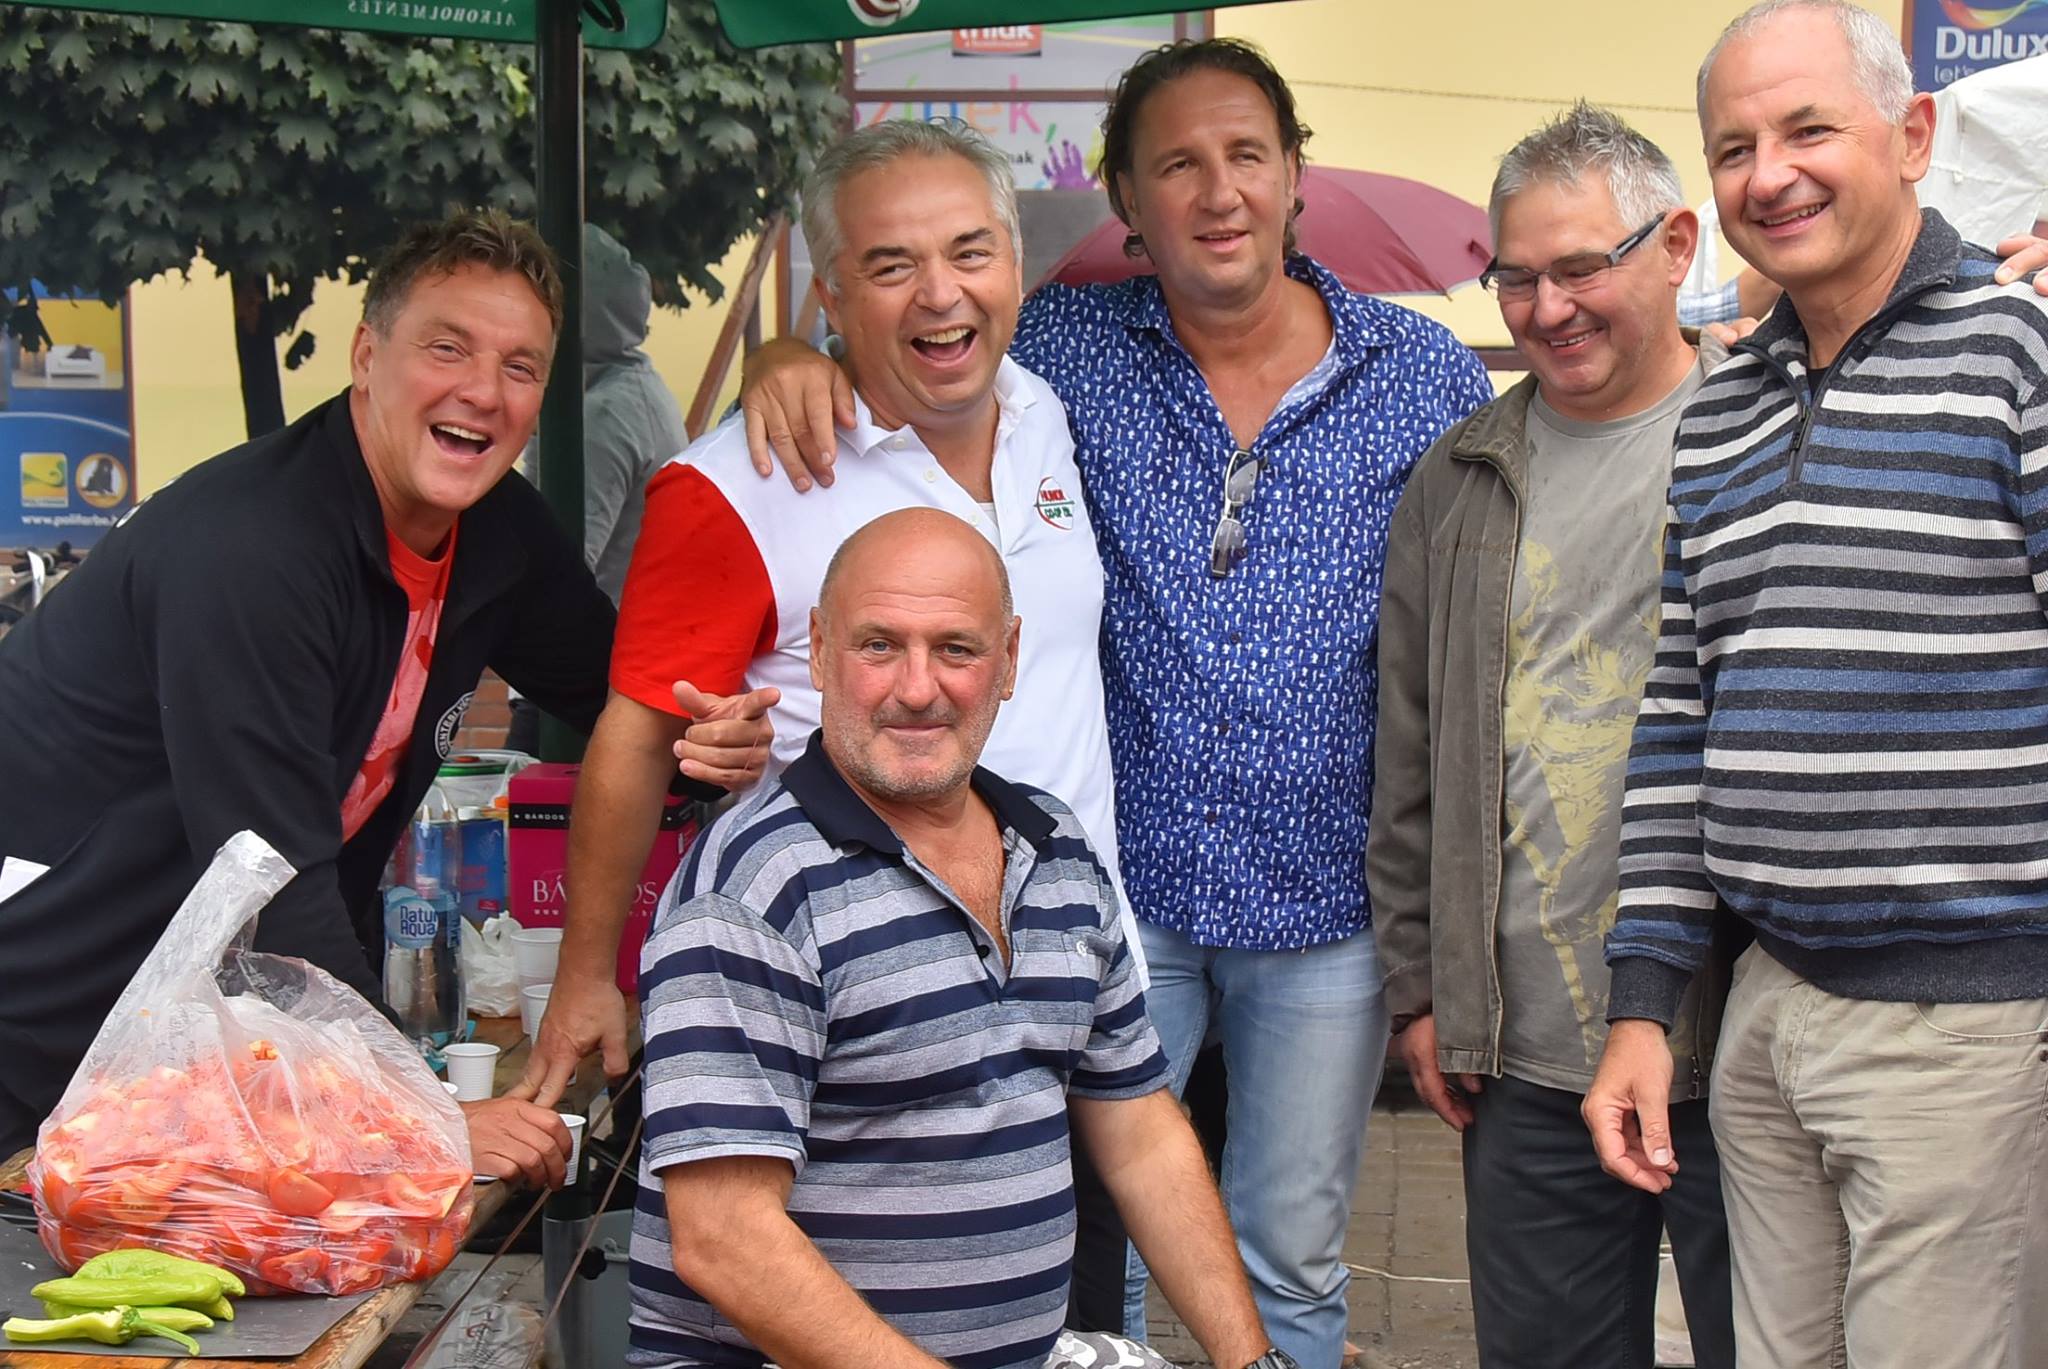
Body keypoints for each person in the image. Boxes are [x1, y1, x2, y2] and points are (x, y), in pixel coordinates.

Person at [736, 41, 1493, 1366]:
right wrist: (793, 355)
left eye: (1245, 154)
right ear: (1127, 200)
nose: (1218, 191)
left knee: (1290, 1250)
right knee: (1109, 1244)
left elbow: (1471, 634)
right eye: (1176, 164)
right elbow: (919, 343)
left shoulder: (1421, 374)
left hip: (1332, 900)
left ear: (1294, 173)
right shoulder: (1066, 350)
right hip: (1113, 891)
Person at [0, 210, 669, 1186]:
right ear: (366, 356)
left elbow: (629, 698)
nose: (484, 391)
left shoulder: (496, 532)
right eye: (447, 347)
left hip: (196, 1049)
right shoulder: (253, 553)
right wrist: (426, 1116)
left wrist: (709, 736)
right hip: (42, 1021)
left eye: (521, 366)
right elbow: (274, 881)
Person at [1583, 3, 2048, 1365]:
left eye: (1805, 131)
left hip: (1967, 1025)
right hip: (1767, 1007)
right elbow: (1679, 724)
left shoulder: (2017, 355)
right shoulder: (1719, 414)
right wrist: (1641, 1007)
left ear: (1911, 137)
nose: (1767, 174)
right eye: (1733, 148)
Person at [526, 120, 1138, 1126]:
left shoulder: (1044, 413)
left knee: (1103, 1230)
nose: (940, 292)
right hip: (853, 1029)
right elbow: (634, 739)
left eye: (970, 252)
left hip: (1074, 988)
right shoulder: (735, 482)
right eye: (891, 266)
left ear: (1015, 262)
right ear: (833, 294)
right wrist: (587, 974)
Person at [629, 506, 1295, 1369]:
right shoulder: (755, 887)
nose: (917, 688)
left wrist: (1252, 1361)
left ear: (1009, 659)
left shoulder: (1054, 849)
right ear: (820, 651)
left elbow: (1142, 1133)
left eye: (956, 648)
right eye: (879, 645)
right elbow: (723, 1236)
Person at [1368, 103, 1734, 1369]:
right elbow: (1406, 750)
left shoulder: (1760, 438)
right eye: (1515, 278)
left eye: (1579, 267)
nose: (1546, 308)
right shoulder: (1457, 477)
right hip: (1522, 1044)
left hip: (1731, 1029)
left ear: (1674, 247)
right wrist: (1420, 990)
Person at [506, 222, 689, 752]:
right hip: (608, 676)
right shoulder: (638, 387)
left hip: (574, 687)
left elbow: (557, 565)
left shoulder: (601, 418)